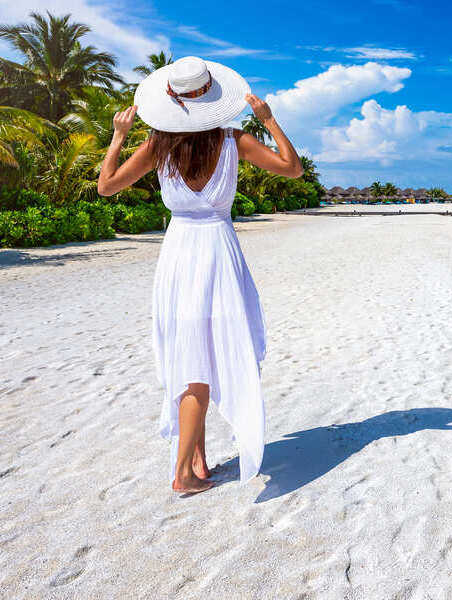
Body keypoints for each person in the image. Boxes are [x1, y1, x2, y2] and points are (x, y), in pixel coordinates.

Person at [97, 56, 302, 495]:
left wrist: (117, 137)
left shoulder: (157, 145)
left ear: (171, 101)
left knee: (191, 352)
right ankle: (184, 475)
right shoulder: (235, 140)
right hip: (217, 250)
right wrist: (269, 120)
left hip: (178, 253)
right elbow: (292, 168)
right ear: (211, 96)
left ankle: (199, 461)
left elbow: (107, 185)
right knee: (200, 361)